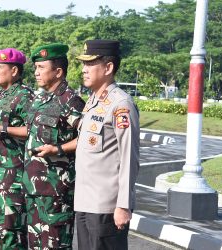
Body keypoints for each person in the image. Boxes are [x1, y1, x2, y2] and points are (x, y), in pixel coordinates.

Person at [74, 40, 140, 250]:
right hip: (85, 202)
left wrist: (123, 205)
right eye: (84, 64)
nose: (84, 69)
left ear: (108, 67)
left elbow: (129, 157)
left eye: (91, 64)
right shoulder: (94, 102)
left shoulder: (121, 104)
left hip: (106, 206)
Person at [24, 43, 84, 249]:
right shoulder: (40, 99)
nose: (36, 72)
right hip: (34, 187)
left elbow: (87, 138)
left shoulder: (71, 101)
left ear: (58, 71)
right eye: (35, 68)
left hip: (56, 191)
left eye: (41, 68)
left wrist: (58, 149)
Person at [0, 48, 34, 249]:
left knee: (11, 234)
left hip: (11, 177)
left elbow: (32, 130)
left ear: (14, 71)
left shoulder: (24, 96)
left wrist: (2, 128)